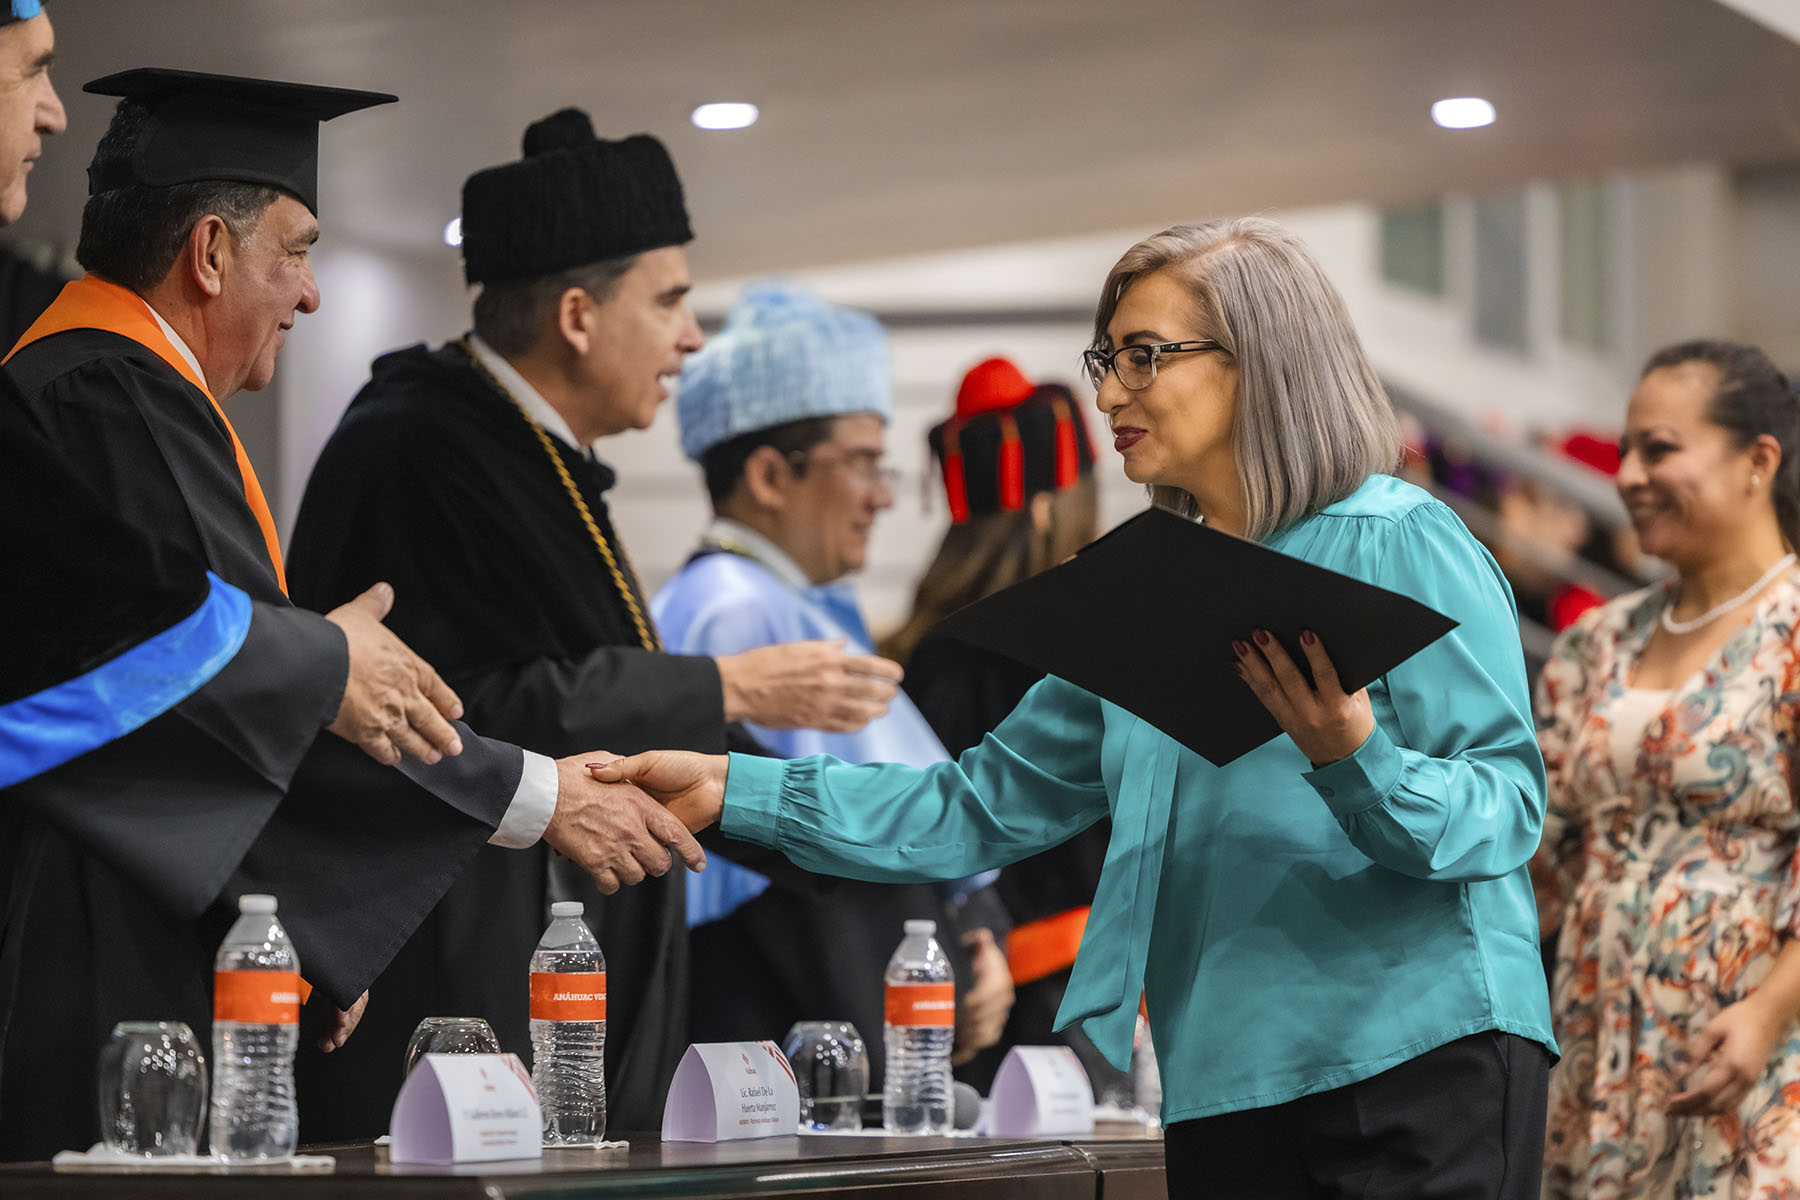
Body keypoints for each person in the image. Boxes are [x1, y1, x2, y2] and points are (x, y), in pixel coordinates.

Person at [598, 217, 1556, 1197]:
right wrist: (731, 788)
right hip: (1223, 1085)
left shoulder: (1399, 539)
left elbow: (1508, 811)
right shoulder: (1144, 594)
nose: (1107, 393)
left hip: (1420, 1055)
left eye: (1144, 357)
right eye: (1107, 359)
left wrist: (1357, 758)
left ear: (1262, 358)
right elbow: (970, 807)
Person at [0, 67, 700, 1161]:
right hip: (84, 944)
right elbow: (182, 685)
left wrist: (284, 922)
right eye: (298, 249)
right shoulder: (103, 397)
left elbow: (209, 697)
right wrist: (510, 781)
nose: (312, 293)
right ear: (211, 255)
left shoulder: (128, 397)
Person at [285, 112, 903, 1134]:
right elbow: (467, 709)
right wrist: (731, 687)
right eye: (670, 302)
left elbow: (599, 697)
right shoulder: (420, 446)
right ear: (578, 314)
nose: (692, 337)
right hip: (464, 991)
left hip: (562, 966)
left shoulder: (533, 450)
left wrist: (846, 832)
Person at [652, 281, 1014, 1084]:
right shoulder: (728, 611)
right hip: (793, 1046)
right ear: (771, 476)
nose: (884, 495)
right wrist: (925, 1003)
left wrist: (974, 934)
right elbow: (785, 882)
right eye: (861, 464)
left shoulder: (804, 603)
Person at [1534, 340, 1800, 1199]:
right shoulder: (1596, 641)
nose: (1630, 475)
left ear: (1760, 460)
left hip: (1753, 1051)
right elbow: (1538, 851)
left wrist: (1766, 1015)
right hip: (1594, 1046)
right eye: (1624, 452)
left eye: (1660, 447)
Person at [880, 355, 1119, 1096]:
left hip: (963, 984)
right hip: (1077, 1000)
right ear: (1049, 501)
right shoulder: (1090, 639)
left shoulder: (920, 648)